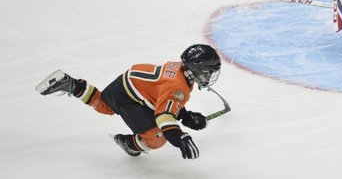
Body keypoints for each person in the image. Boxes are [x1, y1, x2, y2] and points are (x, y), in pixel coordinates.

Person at [35, 44, 222, 159]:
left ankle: (72, 85)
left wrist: (186, 116)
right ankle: (129, 143)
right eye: (207, 73)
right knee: (156, 138)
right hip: (128, 95)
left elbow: (162, 97)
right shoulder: (179, 88)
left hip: (130, 84)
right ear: (194, 69)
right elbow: (163, 114)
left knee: (103, 105)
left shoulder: (179, 70)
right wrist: (178, 136)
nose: (208, 77)